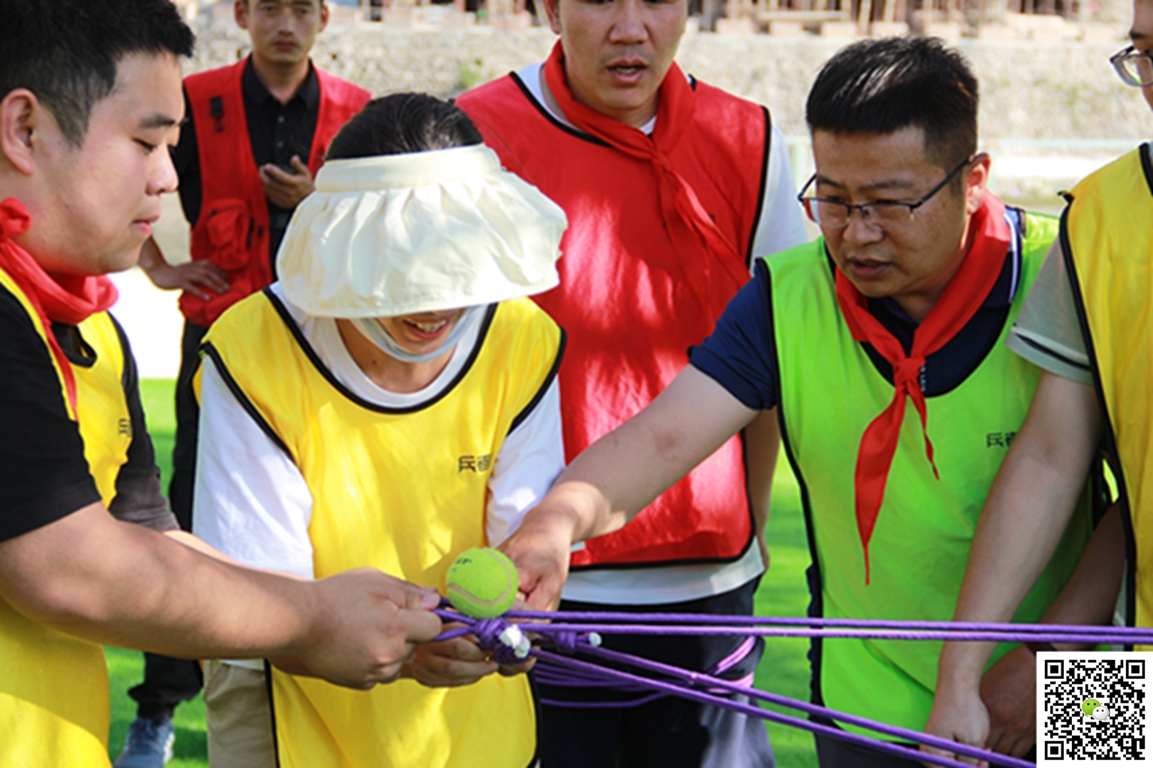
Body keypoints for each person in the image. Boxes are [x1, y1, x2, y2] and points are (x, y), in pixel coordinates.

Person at [498, 36, 1105, 768]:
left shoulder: (1070, 268)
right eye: (832, 200)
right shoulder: (786, 296)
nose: (856, 234)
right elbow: (662, 440)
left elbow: (1145, 498)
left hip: (1084, 679)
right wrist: (558, 519)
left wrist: (1058, 658)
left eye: (889, 203)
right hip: (868, 697)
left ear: (972, 177)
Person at [0, 2, 442, 767]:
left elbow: (147, 536)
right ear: (25, 130)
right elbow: (66, 567)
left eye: (171, 146)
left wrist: (357, 605)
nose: (169, 179)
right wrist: (306, 619)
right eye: (145, 142)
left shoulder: (94, 329)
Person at [456, 0, 806, 763]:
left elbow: (1060, 465)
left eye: (1140, 48)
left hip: (1061, 635)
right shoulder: (473, 138)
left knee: (1091, 717)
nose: (628, 26)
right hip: (541, 575)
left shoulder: (1059, 245)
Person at [190, 93, 568, 767]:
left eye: (454, 267)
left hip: (472, 707)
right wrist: (407, 648)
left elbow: (524, 534)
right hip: (286, 696)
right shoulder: (253, 348)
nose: (436, 305)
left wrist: (520, 602)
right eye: (402, 271)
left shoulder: (521, 336)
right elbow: (259, 589)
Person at [122, 1, 371, 761]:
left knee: (327, 517)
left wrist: (320, 204)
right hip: (220, 345)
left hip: (326, 352)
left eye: (301, 7)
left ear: (324, 18)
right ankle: (159, 712)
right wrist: (160, 268)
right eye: (270, 7)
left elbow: (385, 232)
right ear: (242, 15)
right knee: (189, 519)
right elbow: (129, 178)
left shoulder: (357, 115)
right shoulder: (194, 104)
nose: (284, 23)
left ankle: (318, 692)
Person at [924, 1, 1153, 761]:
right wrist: (963, 674)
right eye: (1143, 53)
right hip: (1132, 664)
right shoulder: (1099, 219)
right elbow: (1052, 458)